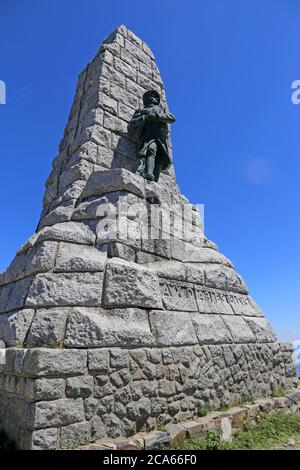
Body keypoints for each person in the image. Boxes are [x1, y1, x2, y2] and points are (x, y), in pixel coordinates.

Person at [128, 89, 176, 182]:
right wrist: (144, 118)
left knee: (159, 159)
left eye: (156, 97)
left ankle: (155, 180)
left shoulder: (161, 110)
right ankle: (148, 173)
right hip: (148, 136)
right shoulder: (142, 111)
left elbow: (172, 118)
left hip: (160, 138)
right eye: (152, 96)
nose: (154, 98)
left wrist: (157, 116)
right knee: (151, 149)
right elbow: (132, 123)